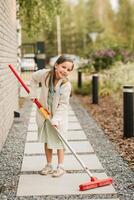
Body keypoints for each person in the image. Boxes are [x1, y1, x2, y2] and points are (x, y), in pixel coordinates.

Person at [30, 55, 74, 177]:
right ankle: (49, 165)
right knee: (47, 140)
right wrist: (33, 93)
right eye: (63, 67)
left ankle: (61, 166)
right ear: (56, 65)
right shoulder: (45, 75)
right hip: (44, 114)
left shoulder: (66, 85)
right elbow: (33, 78)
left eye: (68, 69)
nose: (65, 70)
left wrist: (56, 119)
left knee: (60, 141)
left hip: (58, 117)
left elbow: (63, 105)